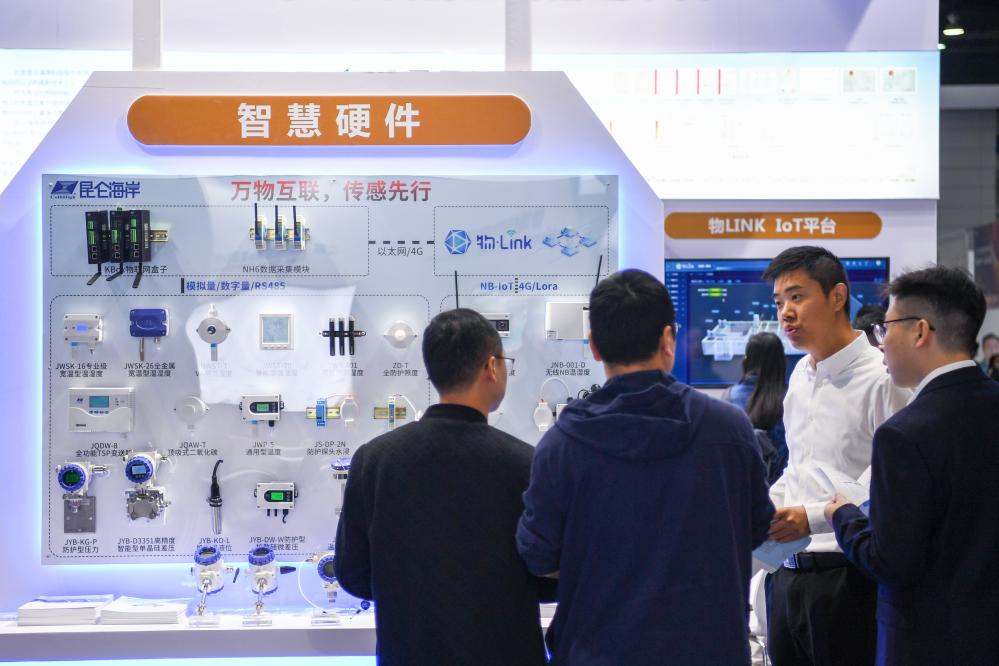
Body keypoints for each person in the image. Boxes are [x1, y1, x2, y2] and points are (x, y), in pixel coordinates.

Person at [517, 268, 774, 665]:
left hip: (597, 652)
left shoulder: (562, 444)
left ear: (594, 346)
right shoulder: (729, 429)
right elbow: (757, 528)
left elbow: (538, 555)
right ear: (668, 338)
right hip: (709, 651)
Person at [334, 308, 552, 666]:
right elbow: (550, 577)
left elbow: (352, 574)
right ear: (492, 367)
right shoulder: (526, 464)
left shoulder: (374, 460)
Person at [824, 265, 999, 665]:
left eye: (885, 328)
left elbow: (890, 561)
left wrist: (844, 516)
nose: (880, 343)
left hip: (928, 643)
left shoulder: (904, 434)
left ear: (920, 332)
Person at [762, 246, 909, 666]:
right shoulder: (800, 375)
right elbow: (799, 466)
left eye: (797, 296)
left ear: (837, 296)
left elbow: (890, 479)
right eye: (779, 302)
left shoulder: (883, 377)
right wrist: (762, 508)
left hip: (848, 576)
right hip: (786, 575)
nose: (786, 312)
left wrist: (811, 516)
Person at [723, 331, 788, 484]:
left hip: (740, 487)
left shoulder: (729, 397)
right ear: (781, 362)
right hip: (782, 489)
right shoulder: (792, 398)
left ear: (746, 361)